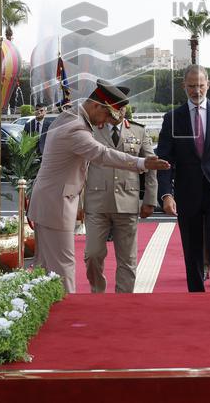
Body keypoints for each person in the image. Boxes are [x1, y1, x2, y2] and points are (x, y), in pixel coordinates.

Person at [27, 80, 169, 293]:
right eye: (105, 116)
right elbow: (102, 154)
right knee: (63, 267)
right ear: (97, 106)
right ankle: (67, 314)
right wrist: (141, 163)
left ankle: (50, 310)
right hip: (55, 203)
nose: (104, 122)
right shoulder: (76, 127)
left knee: (48, 266)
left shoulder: (71, 117)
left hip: (50, 201)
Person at [155, 65, 210, 293]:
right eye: (191, 86)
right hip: (188, 194)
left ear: (208, 85)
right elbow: (165, 161)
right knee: (192, 253)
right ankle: (196, 299)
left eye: (200, 85)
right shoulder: (173, 118)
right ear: (184, 86)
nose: (196, 90)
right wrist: (166, 194)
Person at [81, 110, 158, 293]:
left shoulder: (138, 131)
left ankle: (123, 299)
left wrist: (149, 199)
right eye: (115, 106)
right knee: (92, 254)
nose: (118, 111)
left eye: (122, 107)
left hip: (127, 201)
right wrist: (78, 202)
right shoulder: (91, 130)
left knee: (127, 259)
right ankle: (97, 291)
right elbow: (80, 166)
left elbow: (151, 166)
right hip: (96, 202)